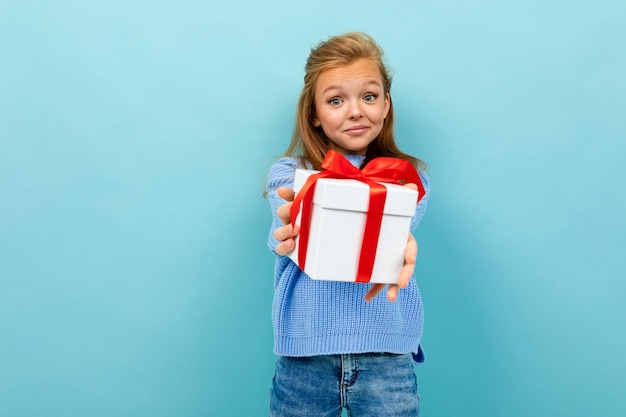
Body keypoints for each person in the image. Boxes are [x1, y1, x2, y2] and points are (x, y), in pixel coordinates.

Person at [265, 32, 430, 417]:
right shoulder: (291, 174)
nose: (355, 110)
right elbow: (283, 222)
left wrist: (399, 238)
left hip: (388, 358)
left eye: (369, 96)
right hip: (304, 359)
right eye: (336, 100)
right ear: (315, 115)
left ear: (386, 105)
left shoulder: (407, 176)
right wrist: (288, 230)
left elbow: (402, 225)